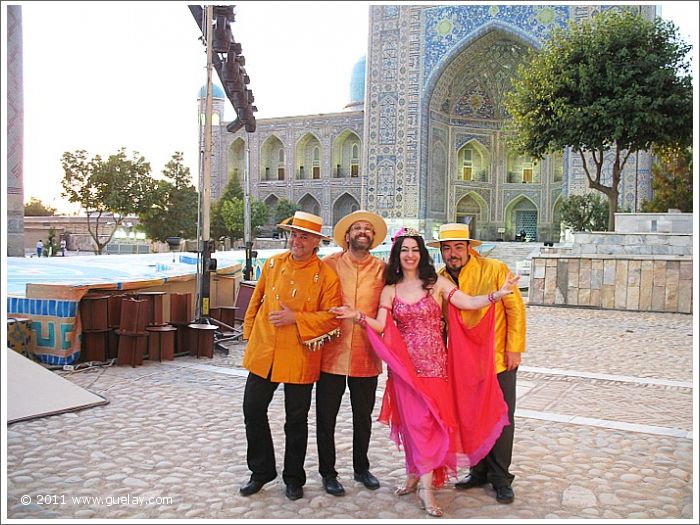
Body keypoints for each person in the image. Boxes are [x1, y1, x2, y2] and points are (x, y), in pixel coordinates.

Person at [332, 227, 519, 517]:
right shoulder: (390, 289)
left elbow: (467, 303)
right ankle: (417, 477)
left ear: (422, 254)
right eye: (404, 250)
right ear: (397, 254)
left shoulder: (436, 283)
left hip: (436, 369)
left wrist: (498, 294)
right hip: (406, 371)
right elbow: (381, 326)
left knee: (432, 426)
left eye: (415, 249)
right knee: (413, 426)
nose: (410, 255)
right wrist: (357, 315)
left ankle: (425, 486)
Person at [240, 211, 343, 502]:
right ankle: (261, 472)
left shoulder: (326, 276)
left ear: (316, 243)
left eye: (304, 236)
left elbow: (332, 318)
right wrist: (249, 335)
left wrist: (295, 317)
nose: (297, 240)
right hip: (265, 352)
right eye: (294, 234)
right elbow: (255, 300)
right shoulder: (272, 264)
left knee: (296, 420)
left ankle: (294, 477)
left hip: (300, 354)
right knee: (252, 409)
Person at [428, 223, 526, 504]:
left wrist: (514, 348)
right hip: (463, 363)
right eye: (447, 248)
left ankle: (500, 477)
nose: (453, 253)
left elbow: (515, 308)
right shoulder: (440, 279)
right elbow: (441, 322)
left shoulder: (494, 269)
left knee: (501, 417)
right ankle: (479, 470)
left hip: (496, 357)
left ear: (470, 248)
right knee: (470, 416)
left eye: (458, 247)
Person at [317, 210, 387, 496]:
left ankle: (361, 467)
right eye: (357, 228)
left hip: (366, 355)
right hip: (331, 352)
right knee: (326, 417)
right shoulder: (329, 264)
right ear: (347, 236)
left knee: (363, 416)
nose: (363, 232)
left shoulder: (383, 270)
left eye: (368, 229)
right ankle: (328, 473)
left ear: (373, 238)